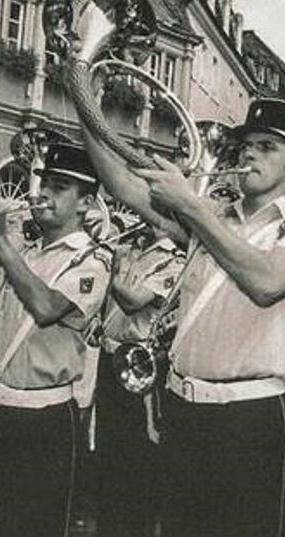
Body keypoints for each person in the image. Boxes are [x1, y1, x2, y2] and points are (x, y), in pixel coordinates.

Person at [83, 97, 285, 537]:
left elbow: (266, 282)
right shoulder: (214, 216)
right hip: (183, 409)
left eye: (266, 147)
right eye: (245, 146)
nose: (249, 154)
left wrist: (193, 208)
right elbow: (120, 182)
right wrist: (83, 86)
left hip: (249, 417)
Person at [0, 143, 112, 537]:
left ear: (86, 202)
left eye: (59, 188)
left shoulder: (93, 258)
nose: (42, 195)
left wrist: (0, 240)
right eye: (44, 185)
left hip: (48, 416)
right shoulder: (22, 248)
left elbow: (45, 307)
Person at [93, 223, 184, 537]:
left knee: (136, 455)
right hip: (109, 359)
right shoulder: (130, 249)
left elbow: (132, 301)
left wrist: (107, 265)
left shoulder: (175, 259)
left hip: (139, 366)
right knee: (107, 453)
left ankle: (134, 527)